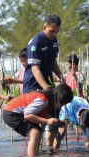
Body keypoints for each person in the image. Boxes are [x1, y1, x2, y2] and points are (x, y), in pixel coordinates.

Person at [23, 14, 65, 146]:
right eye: (52, 31)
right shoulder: (35, 43)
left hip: (48, 84)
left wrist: (61, 76)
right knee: (36, 126)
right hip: (33, 87)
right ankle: (36, 149)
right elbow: (35, 69)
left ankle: (50, 149)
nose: (54, 34)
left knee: (53, 116)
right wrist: (46, 89)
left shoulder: (54, 40)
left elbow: (53, 62)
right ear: (44, 27)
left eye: (57, 31)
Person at [3, 84, 73, 156]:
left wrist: (54, 121)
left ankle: (35, 154)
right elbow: (27, 115)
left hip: (15, 112)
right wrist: (48, 121)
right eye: (63, 103)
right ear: (60, 99)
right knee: (35, 133)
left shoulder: (47, 100)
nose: (62, 105)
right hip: (11, 112)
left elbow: (40, 112)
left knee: (38, 132)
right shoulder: (43, 99)